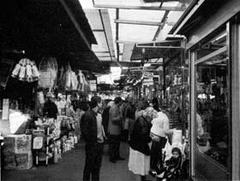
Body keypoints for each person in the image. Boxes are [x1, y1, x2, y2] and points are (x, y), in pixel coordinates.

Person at [81, 96, 105, 181]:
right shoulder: (87, 115)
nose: (102, 104)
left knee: (96, 167)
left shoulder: (98, 115)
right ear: (97, 103)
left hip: (99, 145)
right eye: (101, 102)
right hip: (92, 145)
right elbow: (85, 131)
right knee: (89, 166)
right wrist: (92, 141)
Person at [128, 99, 152, 181]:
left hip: (138, 147)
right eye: (151, 114)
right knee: (138, 169)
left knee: (141, 169)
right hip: (138, 148)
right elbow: (143, 135)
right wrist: (151, 138)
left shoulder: (142, 119)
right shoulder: (142, 121)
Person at [149, 106, 170, 176]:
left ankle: (152, 167)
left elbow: (152, 122)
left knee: (153, 152)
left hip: (153, 133)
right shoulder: (165, 118)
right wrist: (172, 131)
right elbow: (166, 131)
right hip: (160, 136)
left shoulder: (157, 114)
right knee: (158, 153)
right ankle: (157, 169)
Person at [108, 97, 124, 163]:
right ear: (119, 102)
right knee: (113, 145)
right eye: (121, 102)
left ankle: (116, 156)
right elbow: (113, 119)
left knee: (116, 144)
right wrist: (120, 116)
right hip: (113, 129)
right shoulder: (114, 108)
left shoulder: (116, 107)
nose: (122, 103)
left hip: (116, 129)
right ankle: (112, 158)